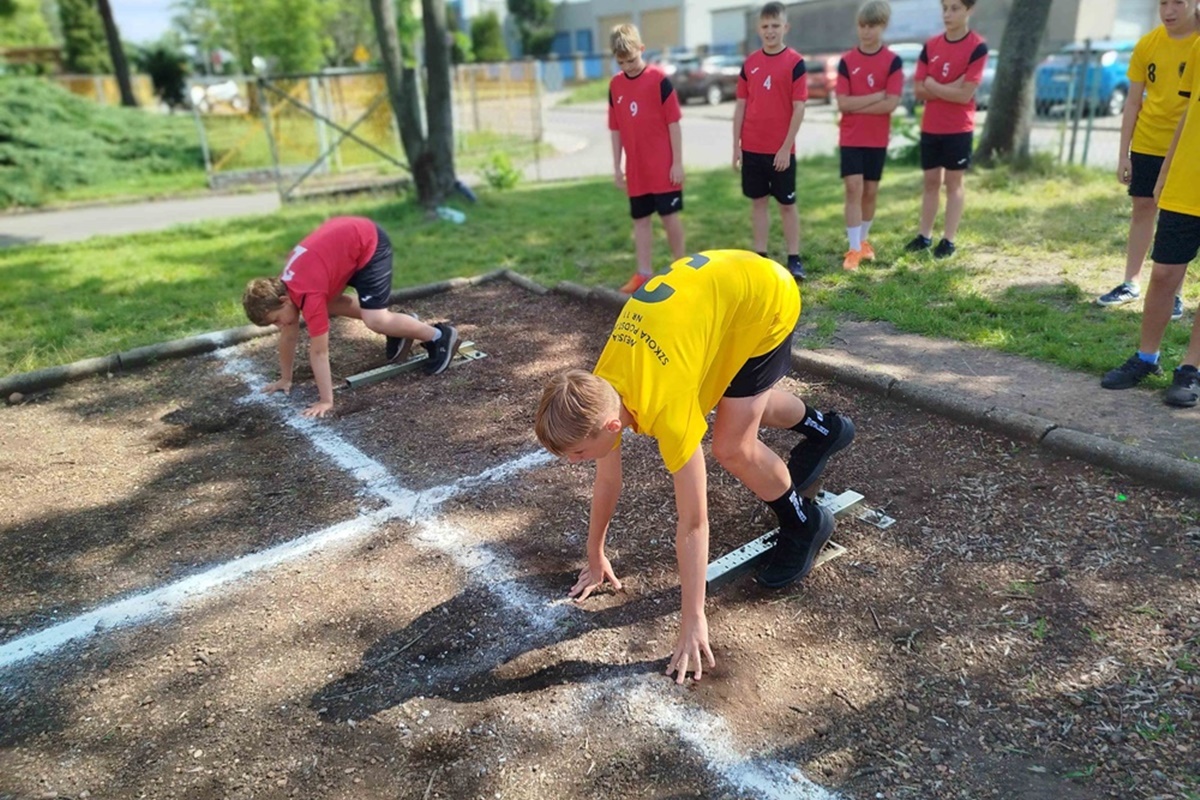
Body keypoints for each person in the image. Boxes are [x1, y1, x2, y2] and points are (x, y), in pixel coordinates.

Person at [534, 250, 856, 684]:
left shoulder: (667, 409)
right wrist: (594, 555)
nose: (575, 463)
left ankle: (805, 521)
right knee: (735, 405)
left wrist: (693, 618)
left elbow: (693, 522)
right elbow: (608, 477)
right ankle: (825, 430)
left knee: (732, 445)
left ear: (611, 425)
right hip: (718, 300)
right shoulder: (600, 390)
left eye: (576, 453)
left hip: (765, 300)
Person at [241, 216, 459, 418]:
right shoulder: (285, 289)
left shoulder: (308, 294)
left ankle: (439, 336)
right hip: (347, 244)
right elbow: (288, 336)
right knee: (332, 303)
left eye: (276, 319)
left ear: (282, 301)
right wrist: (285, 378)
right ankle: (400, 328)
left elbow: (319, 351)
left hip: (369, 243)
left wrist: (326, 401)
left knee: (375, 320)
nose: (280, 325)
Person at [1100, 33, 1200, 408]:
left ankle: (1191, 369)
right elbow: (1189, 115)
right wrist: (1165, 171)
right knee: (1163, 275)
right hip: (1187, 180)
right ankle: (1146, 358)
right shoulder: (1198, 48)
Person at [1096, 0, 1197, 321]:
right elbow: (1132, 102)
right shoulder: (1147, 44)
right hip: (1148, 142)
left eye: (1177, 2)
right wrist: (1124, 153)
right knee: (1142, 208)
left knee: (1176, 221)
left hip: (1185, 148)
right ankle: (1131, 282)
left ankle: (1174, 294)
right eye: (1163, 3)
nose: (1168, 10)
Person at [904, 0, 988, 259]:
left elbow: (965, 96)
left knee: (954, 183)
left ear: (969, 10)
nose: (948, 14)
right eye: (945, 8)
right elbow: (918, 90)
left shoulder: (977, 47)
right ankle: (924, 236)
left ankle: (948, 240)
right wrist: (951, 86)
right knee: (930, 182)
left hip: (958, 128)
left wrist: (934, 84)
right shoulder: (931, 46)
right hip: (931, 126)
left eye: (955, 8)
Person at [607, 23, 686, 295]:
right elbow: (615, 129)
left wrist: (677, 162)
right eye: (621, 62)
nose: (627, 66)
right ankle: (643, 273)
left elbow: (674, 123)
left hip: (664, 168)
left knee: (669, 217)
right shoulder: (615, 85)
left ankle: (682, 269)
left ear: (642, 50)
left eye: (631, 59)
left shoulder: (659, 80)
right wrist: (617, 166)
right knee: (640, 220)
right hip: (636, 170)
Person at [734, 2, 810, 280]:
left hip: (781, 151)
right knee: (758, 203)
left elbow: (799, 108)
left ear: (785, 28)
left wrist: (785, 148)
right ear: (758, 29)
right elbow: (741, 107)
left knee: (787, 205)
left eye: (775, 26)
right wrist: (736, 147)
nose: (770, 31)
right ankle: (760, 257)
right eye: (765, 26)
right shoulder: (750, 63)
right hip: (751, 148)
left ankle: (794, 258)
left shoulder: (795, 63)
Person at [836, 0, 903, 271]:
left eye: (872, 26)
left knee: (871, 191)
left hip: (877, 138)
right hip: (851, 137)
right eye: (862, 26)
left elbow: (892, 103)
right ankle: (852, 248)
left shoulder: (892, 61)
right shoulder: (846, 61)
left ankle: (863, 243)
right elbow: (843, 103)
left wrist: (860, 101)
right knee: (854, 188)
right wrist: (876, 96)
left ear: (883, 26)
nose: (866, 31)